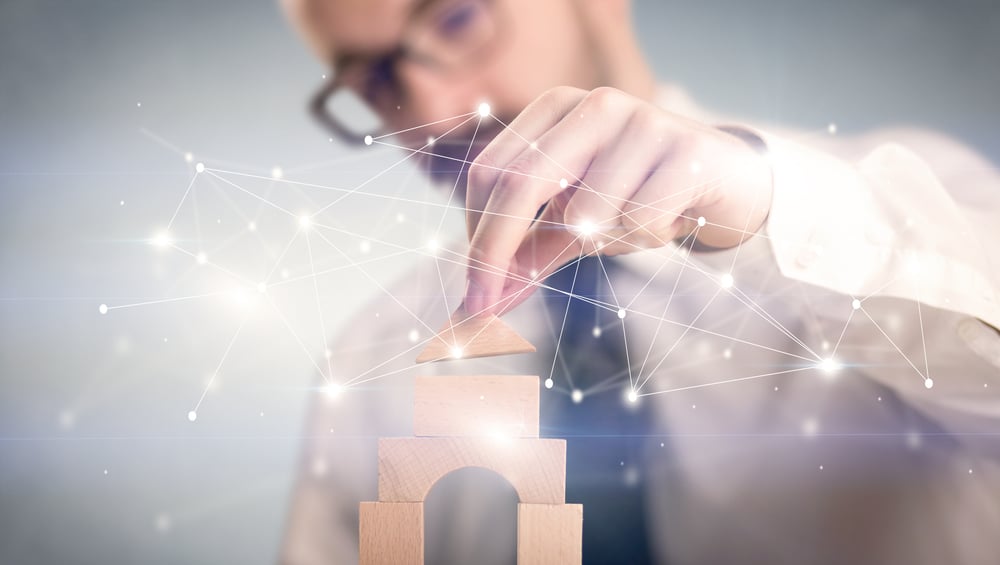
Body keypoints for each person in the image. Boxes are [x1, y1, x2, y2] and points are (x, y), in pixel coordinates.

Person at [278, 0, 1000, 563]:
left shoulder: (901, 212)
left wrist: (761, 204)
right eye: (371, 81)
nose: (429, 113)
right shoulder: (375, 358)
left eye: (457, 16)